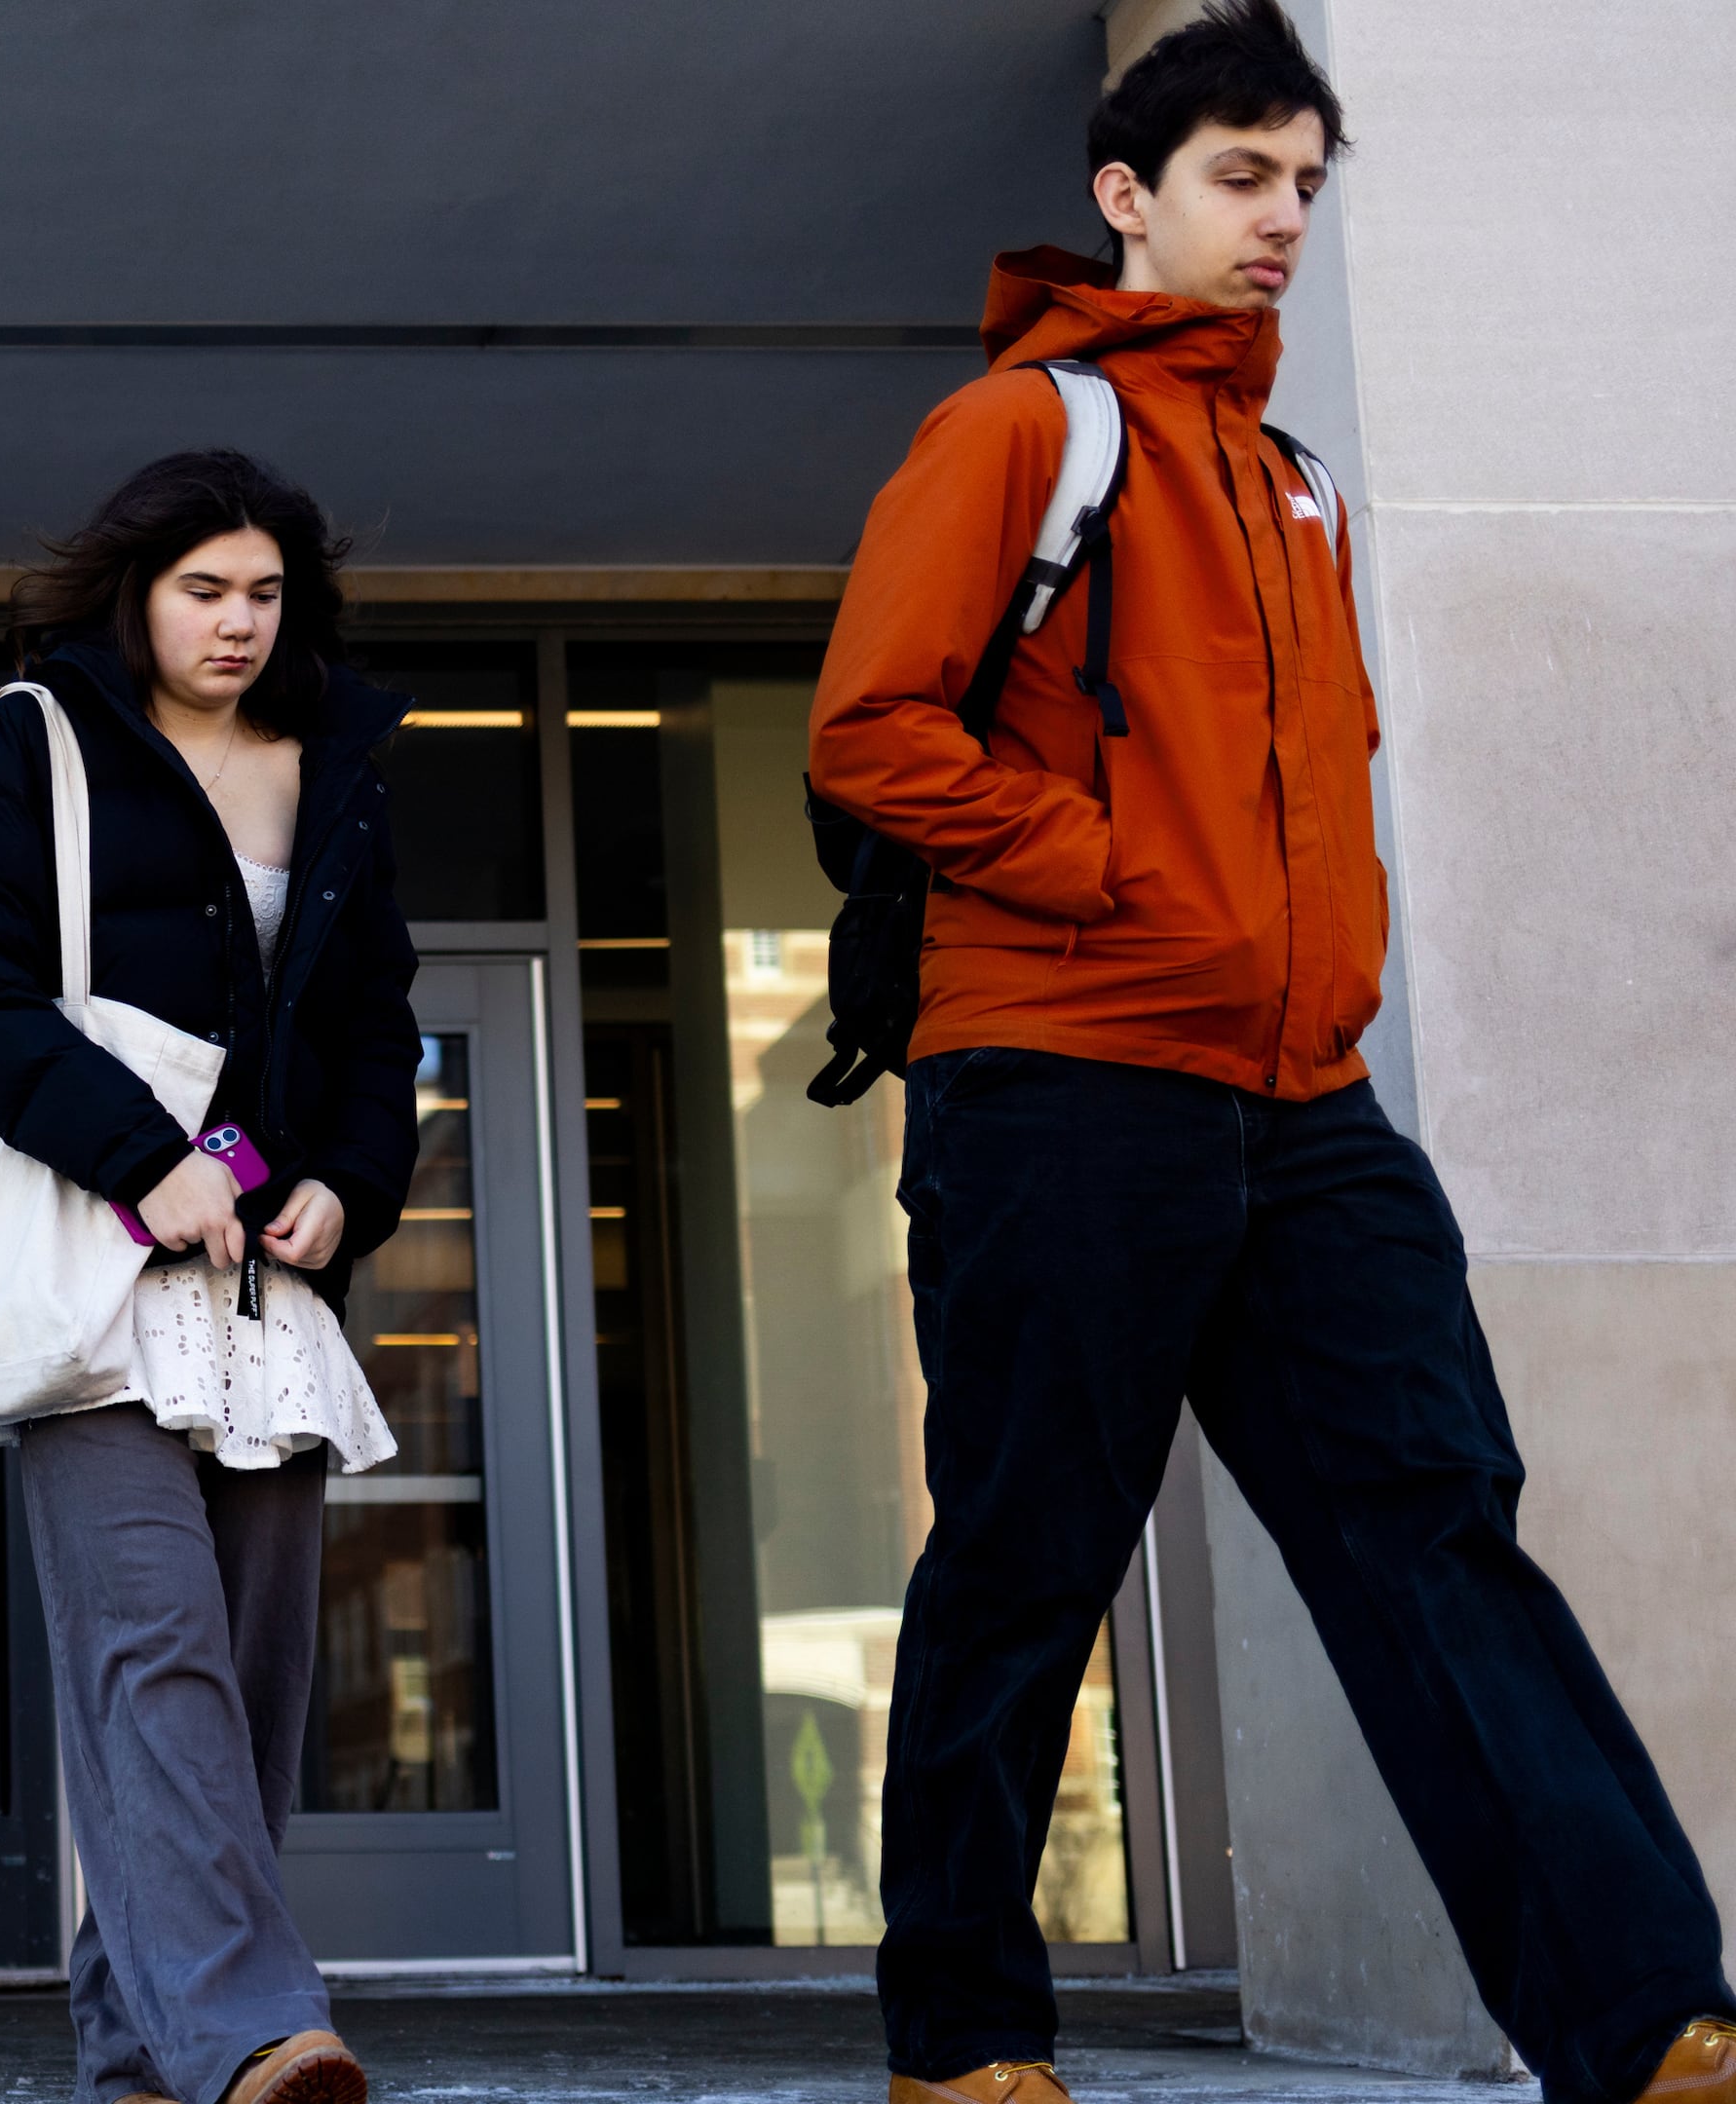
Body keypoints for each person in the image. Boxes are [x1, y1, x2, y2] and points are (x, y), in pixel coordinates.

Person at [807, 9, 1736, 2101]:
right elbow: (874, 730)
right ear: (1129, 196)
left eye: (1307, 183)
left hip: (1306, 1110)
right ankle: (959, 2040)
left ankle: (1645, 2020)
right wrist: (1111, 863)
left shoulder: (1297, 480)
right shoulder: (1027, 436)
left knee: (1440, 1537)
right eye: (1243, 176)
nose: (1282, 219)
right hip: (1064, 1083)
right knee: (1033, 1552)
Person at [0, 450, 421, 2104]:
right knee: (154, 1650)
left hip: (266, 1288)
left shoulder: (331, 765)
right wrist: (148, 1155)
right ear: (135, 590)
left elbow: (366, 1024)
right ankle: (260, 2030)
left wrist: (350, 1183)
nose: (238, 623)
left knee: (257, 1676)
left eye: (265, 592)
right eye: (205, 589)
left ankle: (144, 2053)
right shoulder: (34, 742)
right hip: (89, 1278)